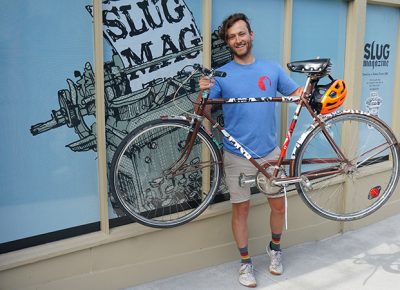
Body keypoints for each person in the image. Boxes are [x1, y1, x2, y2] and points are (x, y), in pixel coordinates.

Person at [199, 13, 302, 288]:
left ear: (251, 35)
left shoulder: (271, 69)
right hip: (235, 153)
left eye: (241, 34)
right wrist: (203, 91)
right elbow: (206, 110)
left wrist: (318, 93)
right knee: (240, 210)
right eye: (232, 37)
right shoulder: (222, 73)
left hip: (269, 152)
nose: (238, 40)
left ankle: (275, 250)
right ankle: (246, 264)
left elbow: (296, 93)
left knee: (278, 206)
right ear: (228, 42)